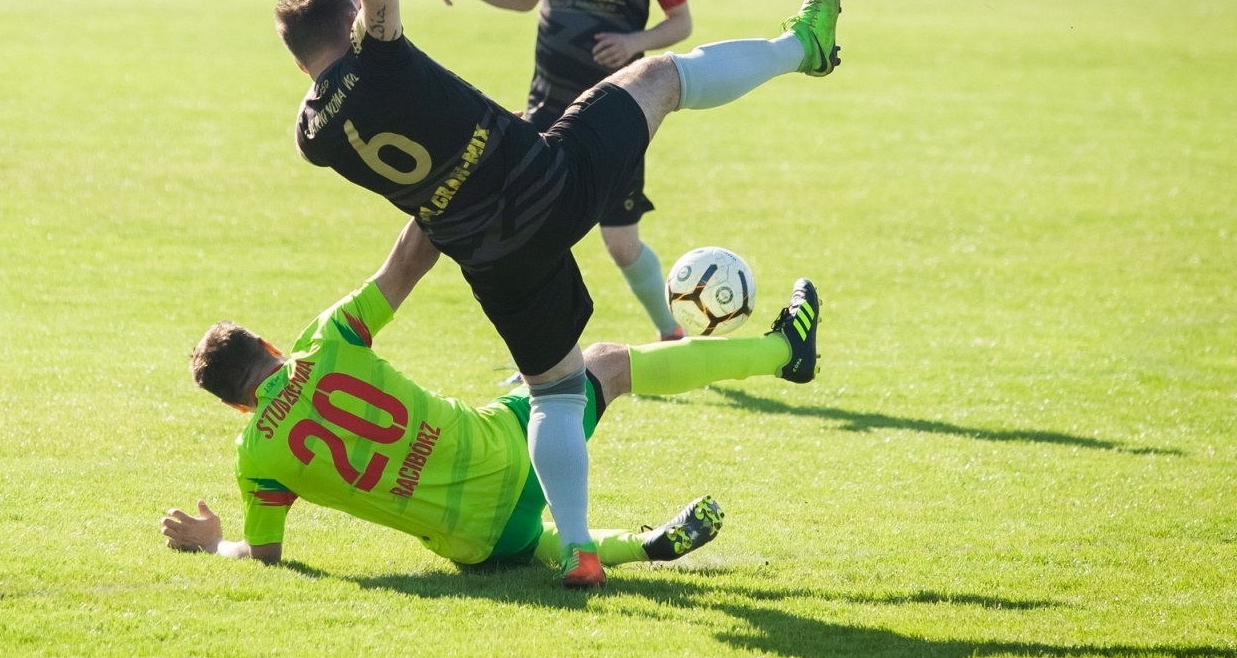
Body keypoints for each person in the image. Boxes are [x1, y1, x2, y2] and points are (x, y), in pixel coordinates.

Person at [277, 0, 840, 586]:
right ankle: (801, 48)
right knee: (659, 79)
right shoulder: (378, 54)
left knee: (555, 391)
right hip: (546, 182)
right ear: (351, 19)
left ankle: (577, 549)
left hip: (491, 259)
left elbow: (324, 74)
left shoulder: (313, 133)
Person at [165, 219, 823, 576]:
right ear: (273, 346)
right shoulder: (326, 341)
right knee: (605, 365)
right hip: (505, 450)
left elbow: (268, 558)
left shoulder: (256, 459)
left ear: (236, 405)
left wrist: (211, 543)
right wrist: (451, 183)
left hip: (473, 542)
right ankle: (781, 351)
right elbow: (406, 264)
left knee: (529, 545)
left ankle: (638, 547)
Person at [438, 0, 696, 342]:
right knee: (527, 230)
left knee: (621, 242)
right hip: (545, 109)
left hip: (619, 111)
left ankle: (669, 331)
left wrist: (633, 41)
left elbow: (681, 22)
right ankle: (545, 354)